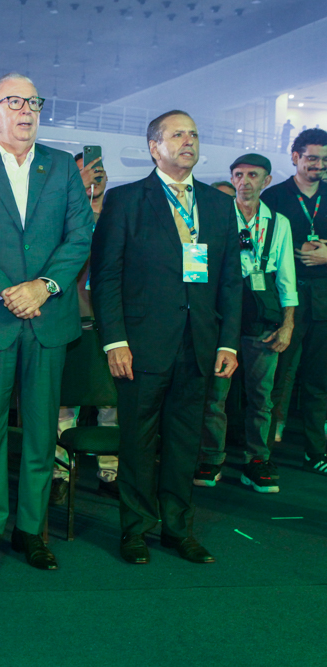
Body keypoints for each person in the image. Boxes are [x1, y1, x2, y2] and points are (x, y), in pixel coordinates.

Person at [0, 73, 94, 573]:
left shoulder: (62, 168)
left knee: (41, 431)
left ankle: (31, 529)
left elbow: (80, 235)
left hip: (48, 317)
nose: (26, 110)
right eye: (14, 102)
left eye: (33, 102)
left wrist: (43, 287)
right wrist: (9, 292)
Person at [91, 110, 242, 566]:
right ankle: (136, 529)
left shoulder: (218, 205)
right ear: (154, 147)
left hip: (199, 344)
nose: (188, 141)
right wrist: (114, 341)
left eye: (193, 134)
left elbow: (230, 280)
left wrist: (228, 342)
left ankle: (178, 530)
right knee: (138, 442)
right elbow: (106, 276)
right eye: (177, 135)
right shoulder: (126, 200)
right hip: (140, 345)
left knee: (184, 442)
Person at [197, 153, 297, 494]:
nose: (244, 181)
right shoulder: (216, 217)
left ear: (266, 181)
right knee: (215, 394)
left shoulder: (279, 223)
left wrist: (288, 324)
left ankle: (257, 460)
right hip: (220, 316)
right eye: (238, 175)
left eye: (253, 175)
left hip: (262, 316)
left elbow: (287, 279)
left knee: (261, 396)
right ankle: (211, 457)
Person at [261, 128, 327, 475]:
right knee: (277, 378)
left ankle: (316, 451)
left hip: (324, 300)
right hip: (287, 300)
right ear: (295, 157)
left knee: (319, 381)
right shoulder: (274, 197)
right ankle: (262, 453)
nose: (319, 165)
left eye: (325, 159)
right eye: (312, 158)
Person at [55, 150, 118, 501]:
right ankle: (60, 472)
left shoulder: (118, 214)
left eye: (99, 169)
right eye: (86, 170)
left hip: (111, 320)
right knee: (65, 400)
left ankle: (111, 471)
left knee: (111, 399)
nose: (95, 175)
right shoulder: (62, 215)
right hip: (70, 315)